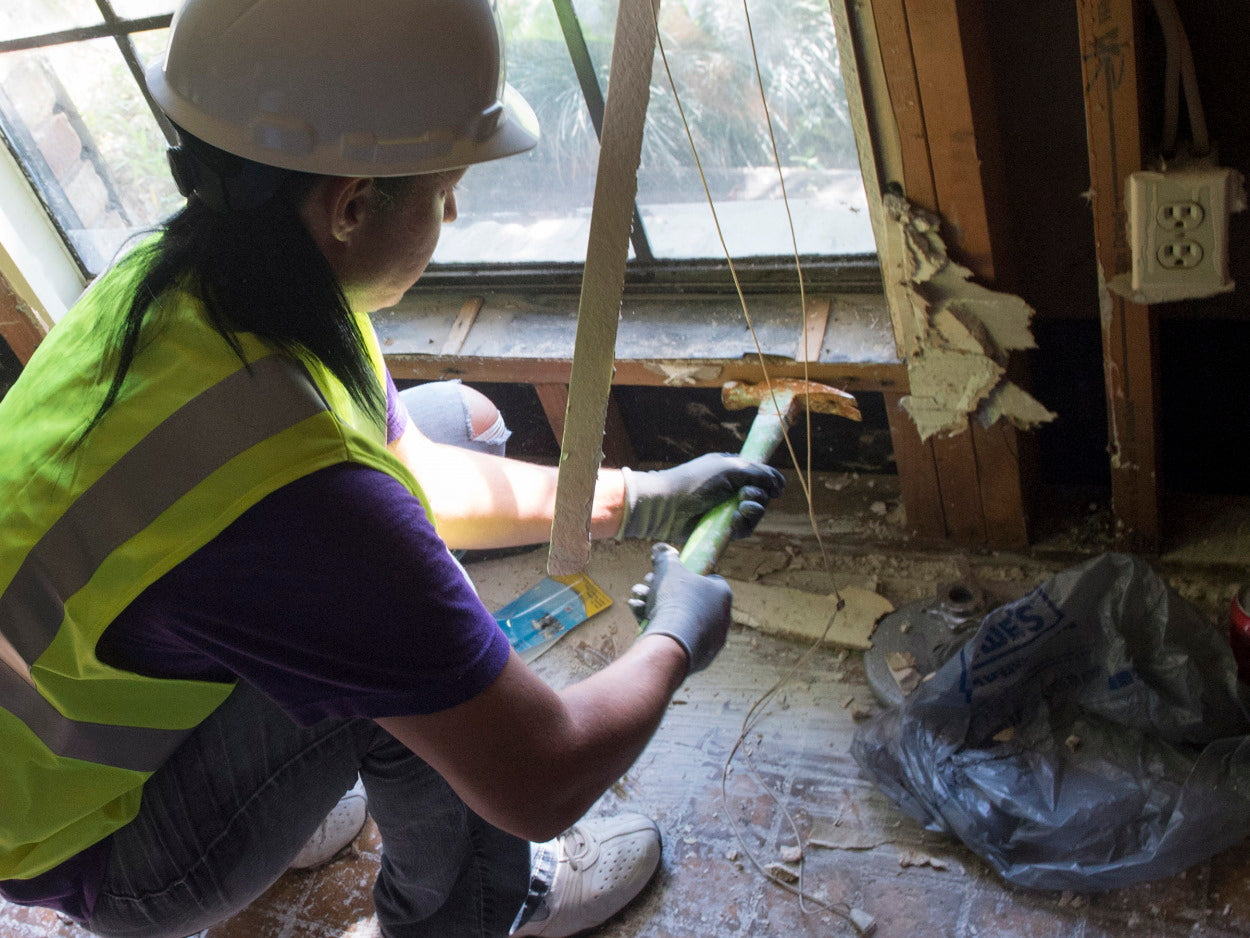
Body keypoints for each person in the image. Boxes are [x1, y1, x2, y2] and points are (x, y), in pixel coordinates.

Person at [0, 1, 786, 936]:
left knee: (467, 425)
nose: (452, 211)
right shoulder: (305, 503)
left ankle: (274, 804)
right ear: (352, 203)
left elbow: (412, 473)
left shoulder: (185, 276)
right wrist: (675, 643)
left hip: (64, 717)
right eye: (446, 187)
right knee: (403, 668)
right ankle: (472, 909)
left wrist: (637, 500)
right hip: (86, 843)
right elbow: (540, 776)